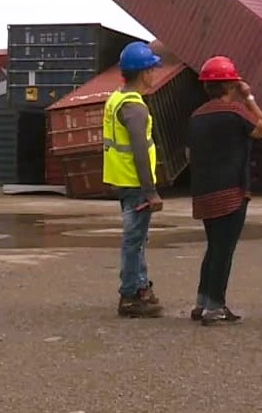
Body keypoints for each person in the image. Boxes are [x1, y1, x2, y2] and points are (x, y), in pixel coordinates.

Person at [186, 55, 262, 326]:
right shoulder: (235, 112)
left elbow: (189, 154)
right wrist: (249, 97)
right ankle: (215, 307)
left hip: (203, 192)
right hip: (231, 192)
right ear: (231, 84)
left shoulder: (197, 116)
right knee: (224, 251)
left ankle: (202, 302)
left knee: (213, 247)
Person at [103, 41, 164, 319]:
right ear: (144, 72)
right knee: (134, 241)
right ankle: (131, 293)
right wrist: (151, 191)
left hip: (123, 180)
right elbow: (139, 150)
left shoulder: (116, 98)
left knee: (136, 239)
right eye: (152, 69)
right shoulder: (134, 108)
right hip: (135, 183)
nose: (154, 74)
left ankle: (140, 287)